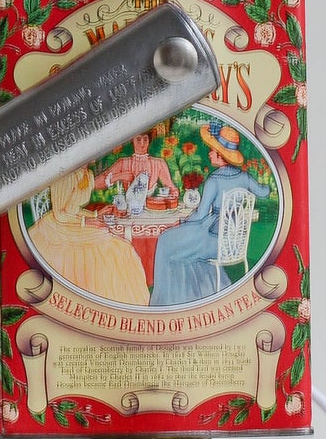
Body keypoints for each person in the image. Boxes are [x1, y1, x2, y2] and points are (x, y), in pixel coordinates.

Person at [148, 122, 274, 308]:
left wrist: (182, 221)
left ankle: (168, 300)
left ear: (221, 156)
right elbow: (264, 192)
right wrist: (267, 186)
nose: (209, 154)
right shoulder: (244, 177)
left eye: (212, 151)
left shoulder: (214, 180)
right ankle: (193, 296)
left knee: (166, 241)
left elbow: (200, 215)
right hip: (232, 242)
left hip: (214, 241)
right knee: (180, 248)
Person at [29, 166, 150, 306]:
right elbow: (60, 214)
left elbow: (74, 209)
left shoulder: (86, 173)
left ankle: (124, 302)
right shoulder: (67, 175)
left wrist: (96, 214)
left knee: (122, 247)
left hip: (73, 222)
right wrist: (87, 221)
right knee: (112, 249)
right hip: (59, 226)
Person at [96, 133, 178, 207]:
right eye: (138, 140)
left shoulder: (158, 163)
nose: (142, 144)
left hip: (152, 209)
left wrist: (173, 193)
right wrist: (120, 176)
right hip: (129, 210)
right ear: (132, 141)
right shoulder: (123, 163)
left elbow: (172, 188)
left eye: (145, 139)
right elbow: (95, 184)